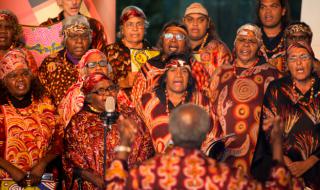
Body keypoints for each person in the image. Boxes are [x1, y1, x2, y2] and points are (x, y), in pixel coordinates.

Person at [105, 103, 302, 189]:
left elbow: (114, 186)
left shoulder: (148, 174)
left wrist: (124, 145)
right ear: (204, 136)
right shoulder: (226, 177)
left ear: (172, 133)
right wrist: (276, 145)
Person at [208, 24, 280, 175]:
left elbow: (278, 118)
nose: (246, 44)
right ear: (235, 44)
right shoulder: (220, 72)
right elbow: (210, 112)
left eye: (252, 41)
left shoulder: (272, 75)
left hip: (259, 156)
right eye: (242, 40)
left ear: (259, 47)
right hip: (222, 155)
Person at [63, 72, 154, 189]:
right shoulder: (78, 123)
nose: (108, 94)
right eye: (101, 90)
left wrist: (133, 173)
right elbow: (70, 161)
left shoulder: (130, 115)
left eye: (111, 88)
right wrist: (94, 178)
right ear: (89, 97)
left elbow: (146, 146)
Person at [251, 41, 320, 189]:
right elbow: (268, 128)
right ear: (287, 64)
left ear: (313, 61)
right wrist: (286, 161)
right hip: (282, 161)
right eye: (293, 59)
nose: (299, 63)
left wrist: (308, 163)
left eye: (304, 57)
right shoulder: (276, 88)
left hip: (317, 165)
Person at [0, 49, 59, 188]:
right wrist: (13, 170)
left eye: (25, 74)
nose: (20, 79)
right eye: (13, 76)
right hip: (5, 181)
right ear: (4, 81)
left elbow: (60, 139)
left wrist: (42, 164)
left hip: (43, 180)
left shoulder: (46, 104)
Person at [136, 53, 215, 154]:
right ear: (165, 77)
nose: (179, 75)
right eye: (173, 70)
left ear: (189, 78)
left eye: (184, 71)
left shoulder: (202, 103)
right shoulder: (147, 101)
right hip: (158, 166)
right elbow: (140, 139)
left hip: (193, 165)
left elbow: (212, 140)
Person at [131, 21, 208, 107]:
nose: (173, 40)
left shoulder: (195, 67)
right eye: (168, 36)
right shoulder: (149, 67)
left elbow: (205, 101)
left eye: (179, 37)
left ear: (186, 42)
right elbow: (136, 101)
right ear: (162, 40)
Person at [38, 15, 91, 106]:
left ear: (90, 39)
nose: (79, 41)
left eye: (84, 36)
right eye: (73, 36)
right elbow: (44, 103)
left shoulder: (98, 62)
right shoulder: (49, 63)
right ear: (64, 39)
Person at [104, 6, 152, 95]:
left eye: (139, 24)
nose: (135, 28)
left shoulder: (154, 53)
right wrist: (123, 83)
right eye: (130, 24)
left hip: (148, 105)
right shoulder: (108, 52)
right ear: (122, 29)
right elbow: (100, 87)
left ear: (144, 27)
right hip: (117, 106)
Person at [182, 2, 231, 76]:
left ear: (208, 23)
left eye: (201, 20)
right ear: (184, 22)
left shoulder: (220, 50)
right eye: (190, 20)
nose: (195, 24)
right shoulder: (177, 47)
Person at [40, 0, 107, 50]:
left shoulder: (94, 26)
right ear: (59, 1)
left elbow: (102, 59)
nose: (74, 2)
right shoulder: (46, 28)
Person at [256, 0, 290, 72]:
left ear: (283, 11)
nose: (268, 11)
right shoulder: (249, 38)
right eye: (263, 7)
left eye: (273, 6)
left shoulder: (293, 38)